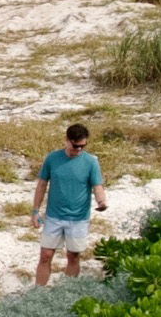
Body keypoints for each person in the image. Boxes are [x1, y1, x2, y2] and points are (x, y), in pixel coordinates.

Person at [32, 122, 107, 286]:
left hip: (78, 218)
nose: (78, 150)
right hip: (54, 217)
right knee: (45, 255)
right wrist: (35, 211)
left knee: (73, 256)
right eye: (75, 146)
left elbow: (97, 186)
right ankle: (36, 293)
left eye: (82, 146)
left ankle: (67, 292)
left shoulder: (91, 162)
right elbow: (42, 185)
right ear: (67, 140)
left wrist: (101, 201)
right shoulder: (52, 158)